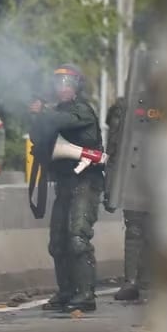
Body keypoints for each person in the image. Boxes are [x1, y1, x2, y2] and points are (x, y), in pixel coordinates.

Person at [29, 64, 104, 313]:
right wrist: (37, 116)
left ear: (76, 87)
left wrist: (42, 113)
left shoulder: (81, 111)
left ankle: (85, 294)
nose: (63, 89)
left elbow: (60, 122)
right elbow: (37, 136)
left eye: (68, 84)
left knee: (77, 237)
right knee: (57, 241)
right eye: (59, 84)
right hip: (65, 182)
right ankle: (66, 291)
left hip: (86, 182)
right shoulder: (54, 112)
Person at [104, 96, 151, 301]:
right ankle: (131, 281)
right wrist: (111, 187)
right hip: (135, 174)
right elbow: (114, 149)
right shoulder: (125, 108)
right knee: (134, 229)